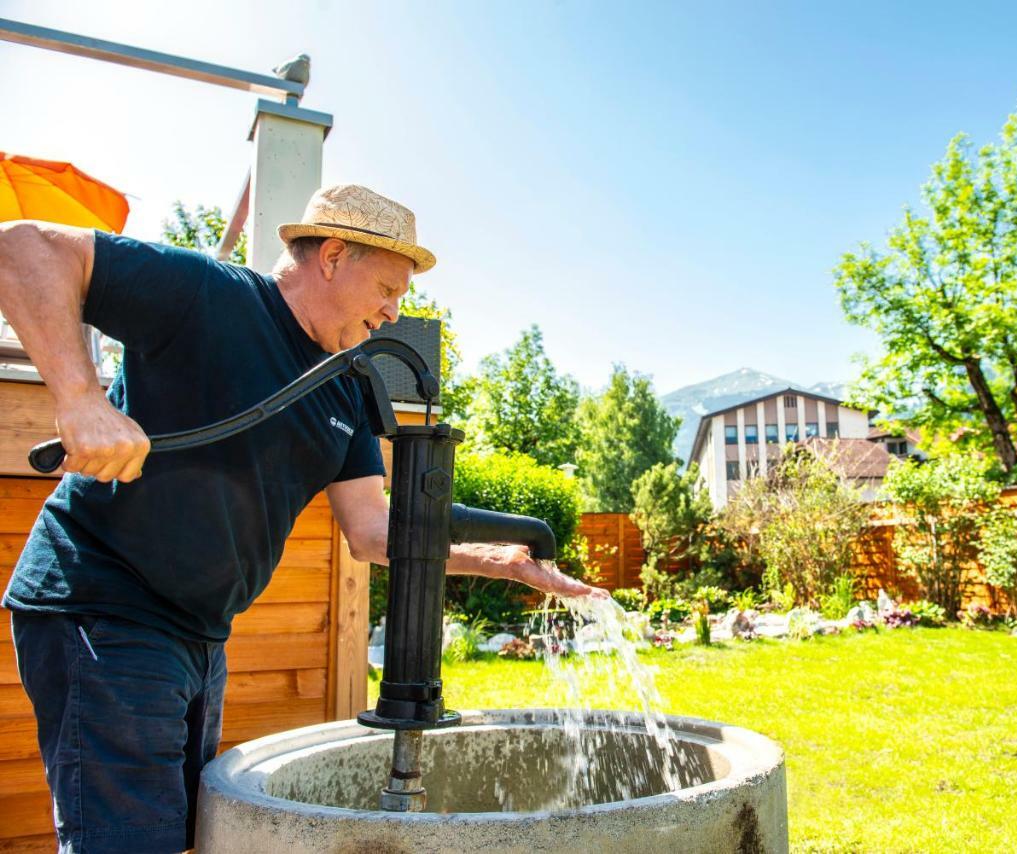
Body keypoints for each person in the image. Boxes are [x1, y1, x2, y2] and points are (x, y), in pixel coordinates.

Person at [0, 184, 605, 853]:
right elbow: (22, 247)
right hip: (103, 606)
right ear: (334, 255)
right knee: (125, 841)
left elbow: (373, 532)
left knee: (178, 833)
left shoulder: (344, 383)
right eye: (388, 288)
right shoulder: (209, 295)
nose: (393, 312)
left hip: (200, 634)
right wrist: (80, 397)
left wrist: (499, 561)